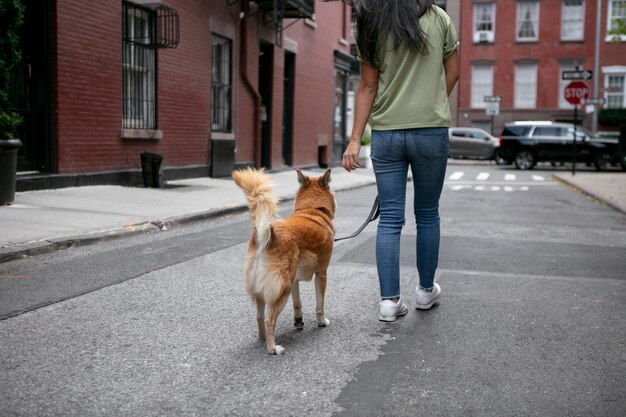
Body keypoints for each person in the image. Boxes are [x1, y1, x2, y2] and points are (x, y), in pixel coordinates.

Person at [341, 0, 460, 321]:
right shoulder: (440, 18)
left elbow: (367, 85)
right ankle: (424, 291)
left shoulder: (373, 21)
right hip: (430, 133)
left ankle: (389, 302)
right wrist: (432, 104)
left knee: (391, 217)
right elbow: (454, 70)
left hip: (387, 134)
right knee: (427, 213)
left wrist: (354, 140)